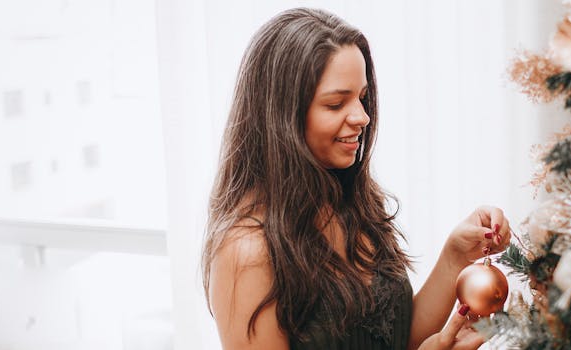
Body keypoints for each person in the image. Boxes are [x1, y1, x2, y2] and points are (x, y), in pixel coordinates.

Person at [202, 7, 510, 350]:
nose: (362, 117)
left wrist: (455, 257)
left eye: (362, 98)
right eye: (336, 104)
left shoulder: (351, 201)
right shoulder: (248, 251)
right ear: (281, 116)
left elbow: (394, 339)